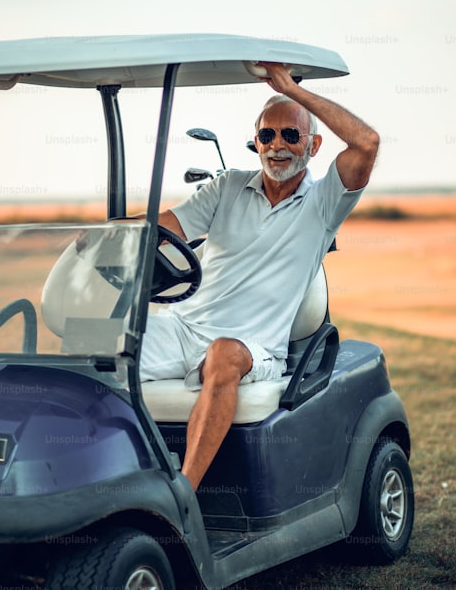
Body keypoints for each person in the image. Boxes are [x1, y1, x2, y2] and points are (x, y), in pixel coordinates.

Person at [140, 61, 380, 491]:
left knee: (224, 354)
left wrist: (290, 89)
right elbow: (164, 228)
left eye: (291, 135)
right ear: (255, 142)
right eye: (266, 135)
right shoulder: (228, 186)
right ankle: (100, 482)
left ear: (314, 144)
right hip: (184, 329)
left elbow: (366, 142)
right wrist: (105, 236)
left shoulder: (324, 203)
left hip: (253, 347)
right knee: (109, 348)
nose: (277, 145)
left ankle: (181, 496)